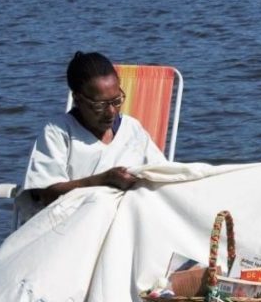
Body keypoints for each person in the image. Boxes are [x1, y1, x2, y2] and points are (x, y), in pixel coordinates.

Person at [21, 51, 166, 212]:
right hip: (75, 222)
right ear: (78, 100)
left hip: (128, 219)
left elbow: (162, 174)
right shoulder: (59, 132)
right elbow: (46, 194)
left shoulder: (132, 129)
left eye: (116, 101)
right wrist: (104, 180)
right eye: (100, 105)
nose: (111, 111)